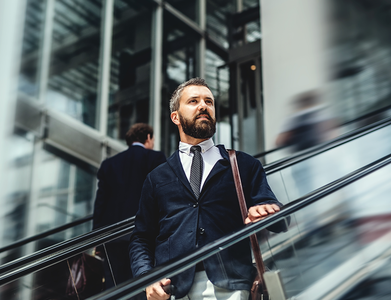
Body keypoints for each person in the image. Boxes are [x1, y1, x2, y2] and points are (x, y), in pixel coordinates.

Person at [129, 78, 285, 300]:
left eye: (209, 102)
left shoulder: (244, 164)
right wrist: (146, 278)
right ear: (175, 117)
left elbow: (278, 217)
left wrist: (267, 212)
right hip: (173, 289)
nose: (203, 106)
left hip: (232, 286)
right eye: (193, 101)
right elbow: (141, 238)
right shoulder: (156, 178)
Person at [93, 123, 166, 290]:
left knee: (114, 286)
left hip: (112, 237)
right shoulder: (155, 158)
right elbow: (162, 197)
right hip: (145, 236)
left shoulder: (109, 164)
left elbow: (100, 204)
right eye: (152, 139)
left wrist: (97, 238)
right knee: (143, 284)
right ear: (148, 138)